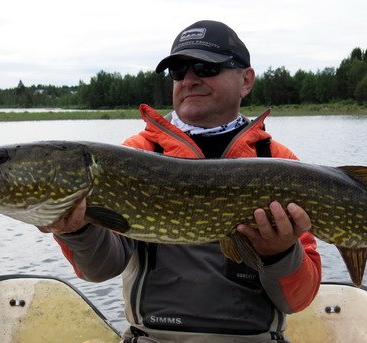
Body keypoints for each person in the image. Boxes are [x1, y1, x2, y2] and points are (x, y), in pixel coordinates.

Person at [40, 20, 321, 342]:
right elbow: (100, 269)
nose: (189, 79)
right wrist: (76, 231)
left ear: (246, 80)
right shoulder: (135, 155)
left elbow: (297, 300)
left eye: (205, 67)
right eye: (178, 70)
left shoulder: (278, 162)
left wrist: (279, 253)